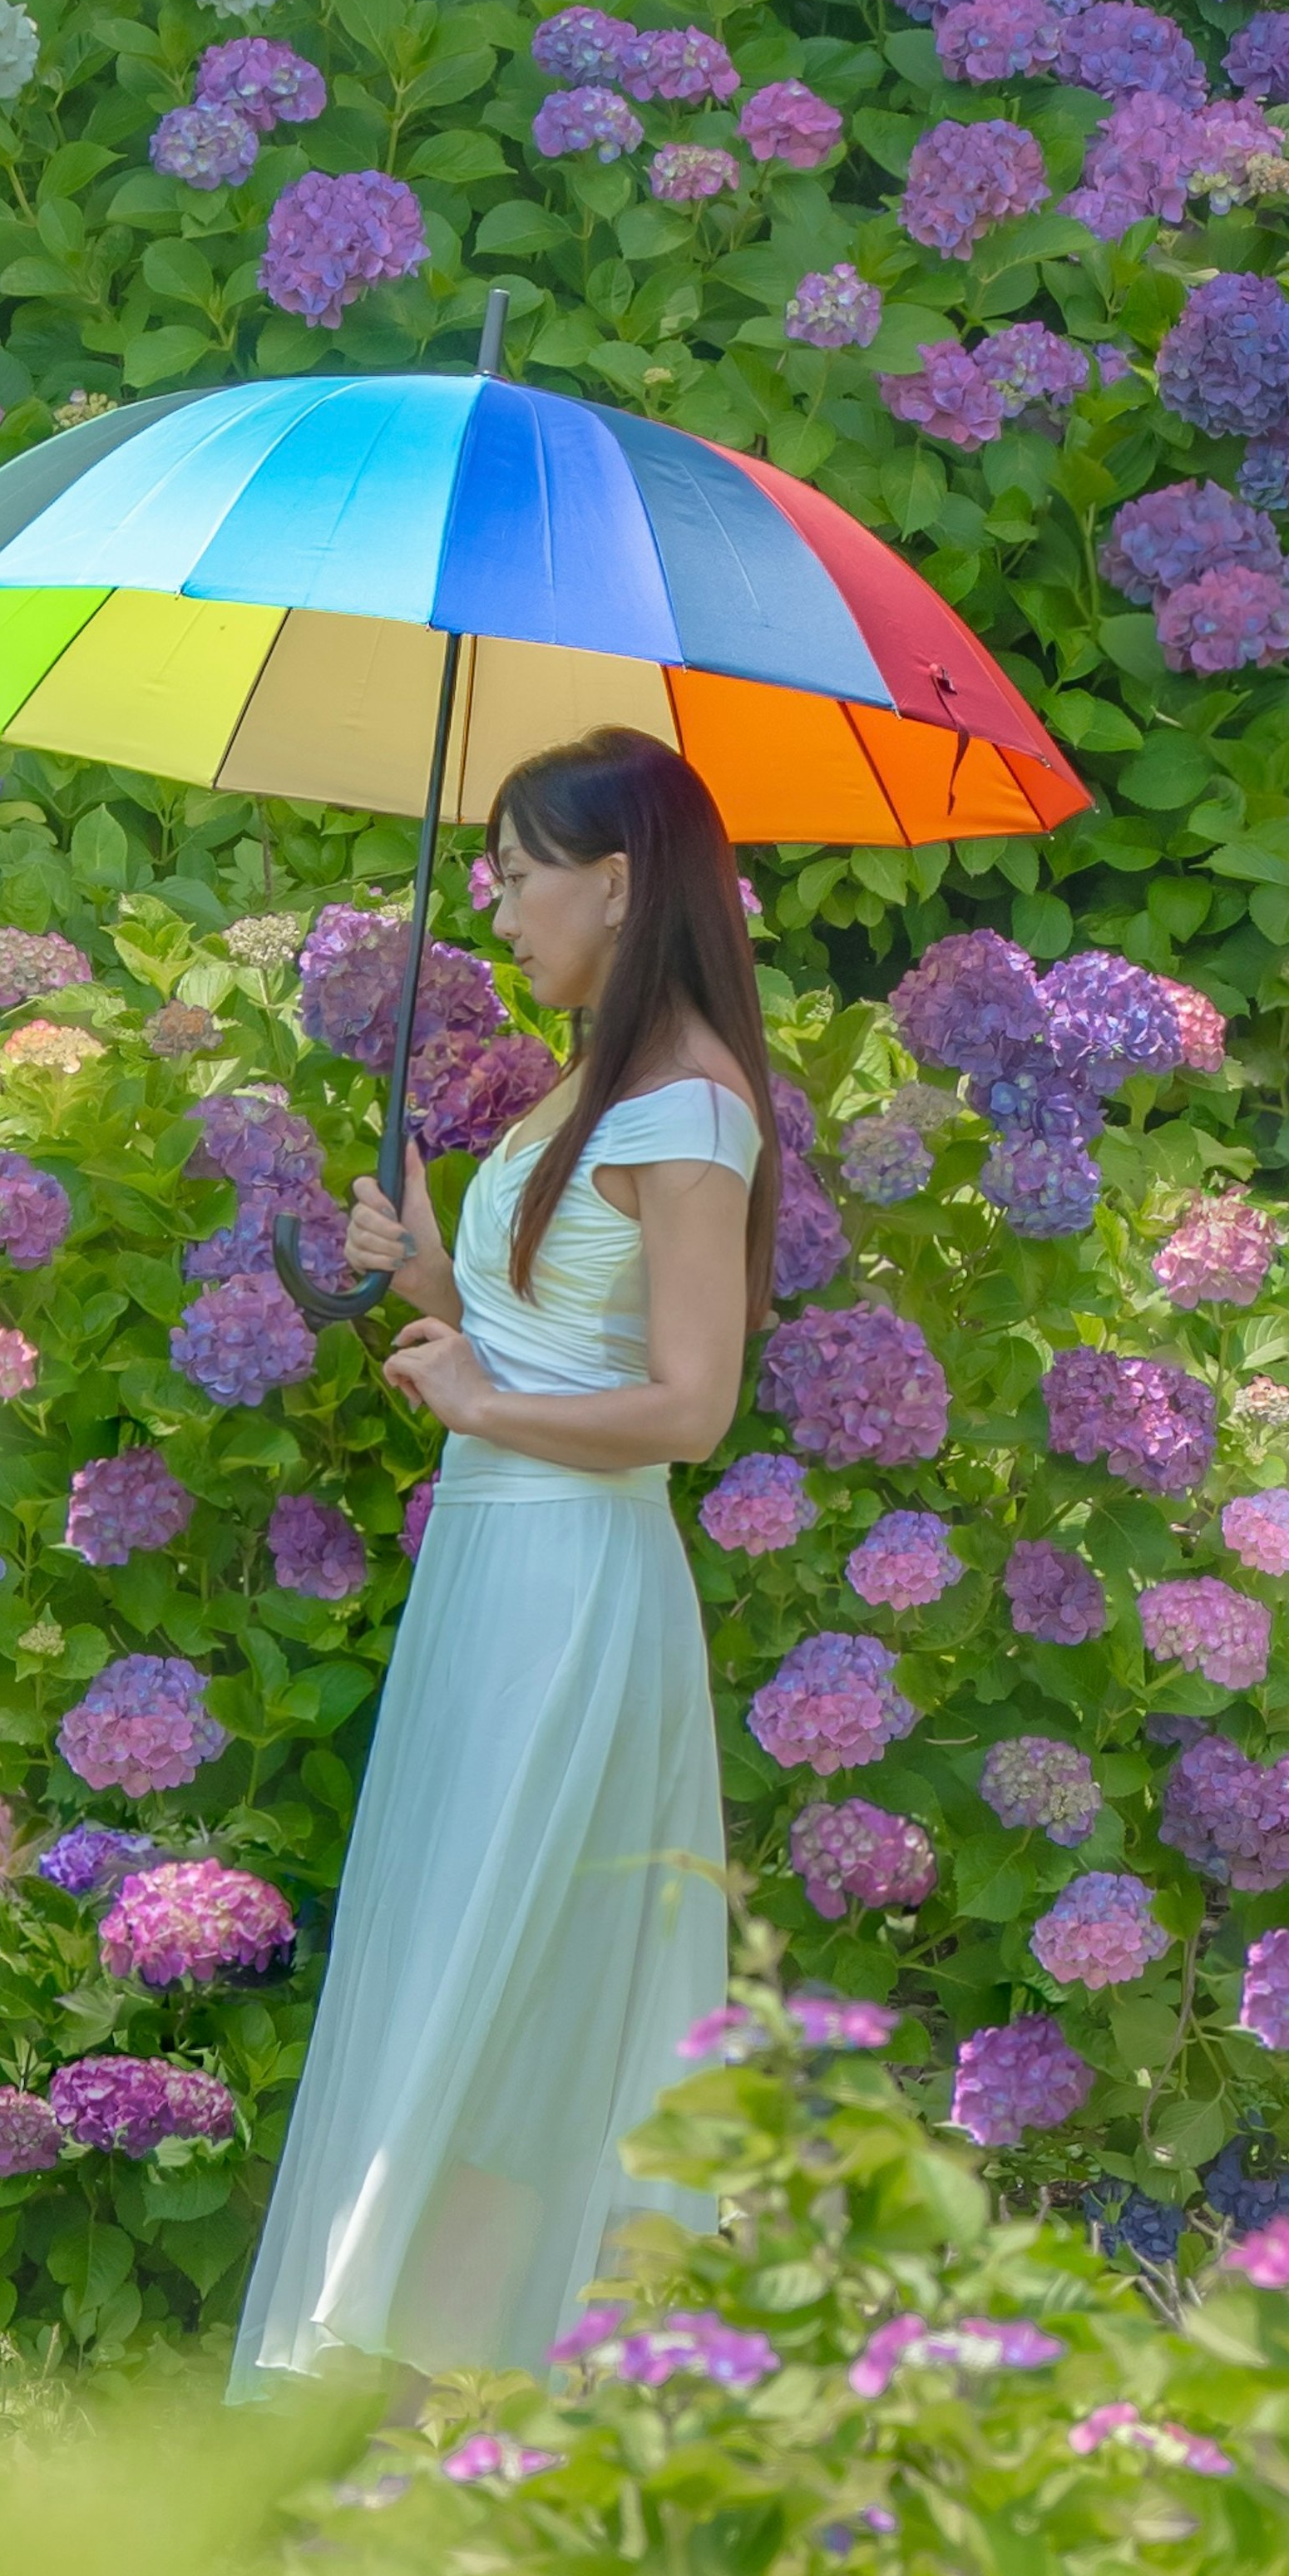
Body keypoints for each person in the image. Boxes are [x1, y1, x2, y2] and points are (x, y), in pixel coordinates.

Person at [228, 724, 778, 2398]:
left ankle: (492, 2390)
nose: (502, 900)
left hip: (571, 1593)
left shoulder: (688, 1105)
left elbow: (690, 1411)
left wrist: (473, 1388)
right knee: (469, 1973)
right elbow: (538, 1368)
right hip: (498, 1574)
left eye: (525, 870)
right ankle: (436, 2385)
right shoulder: (596, 1084)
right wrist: (434, 1296)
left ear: (616, 885)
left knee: (516, 1992)